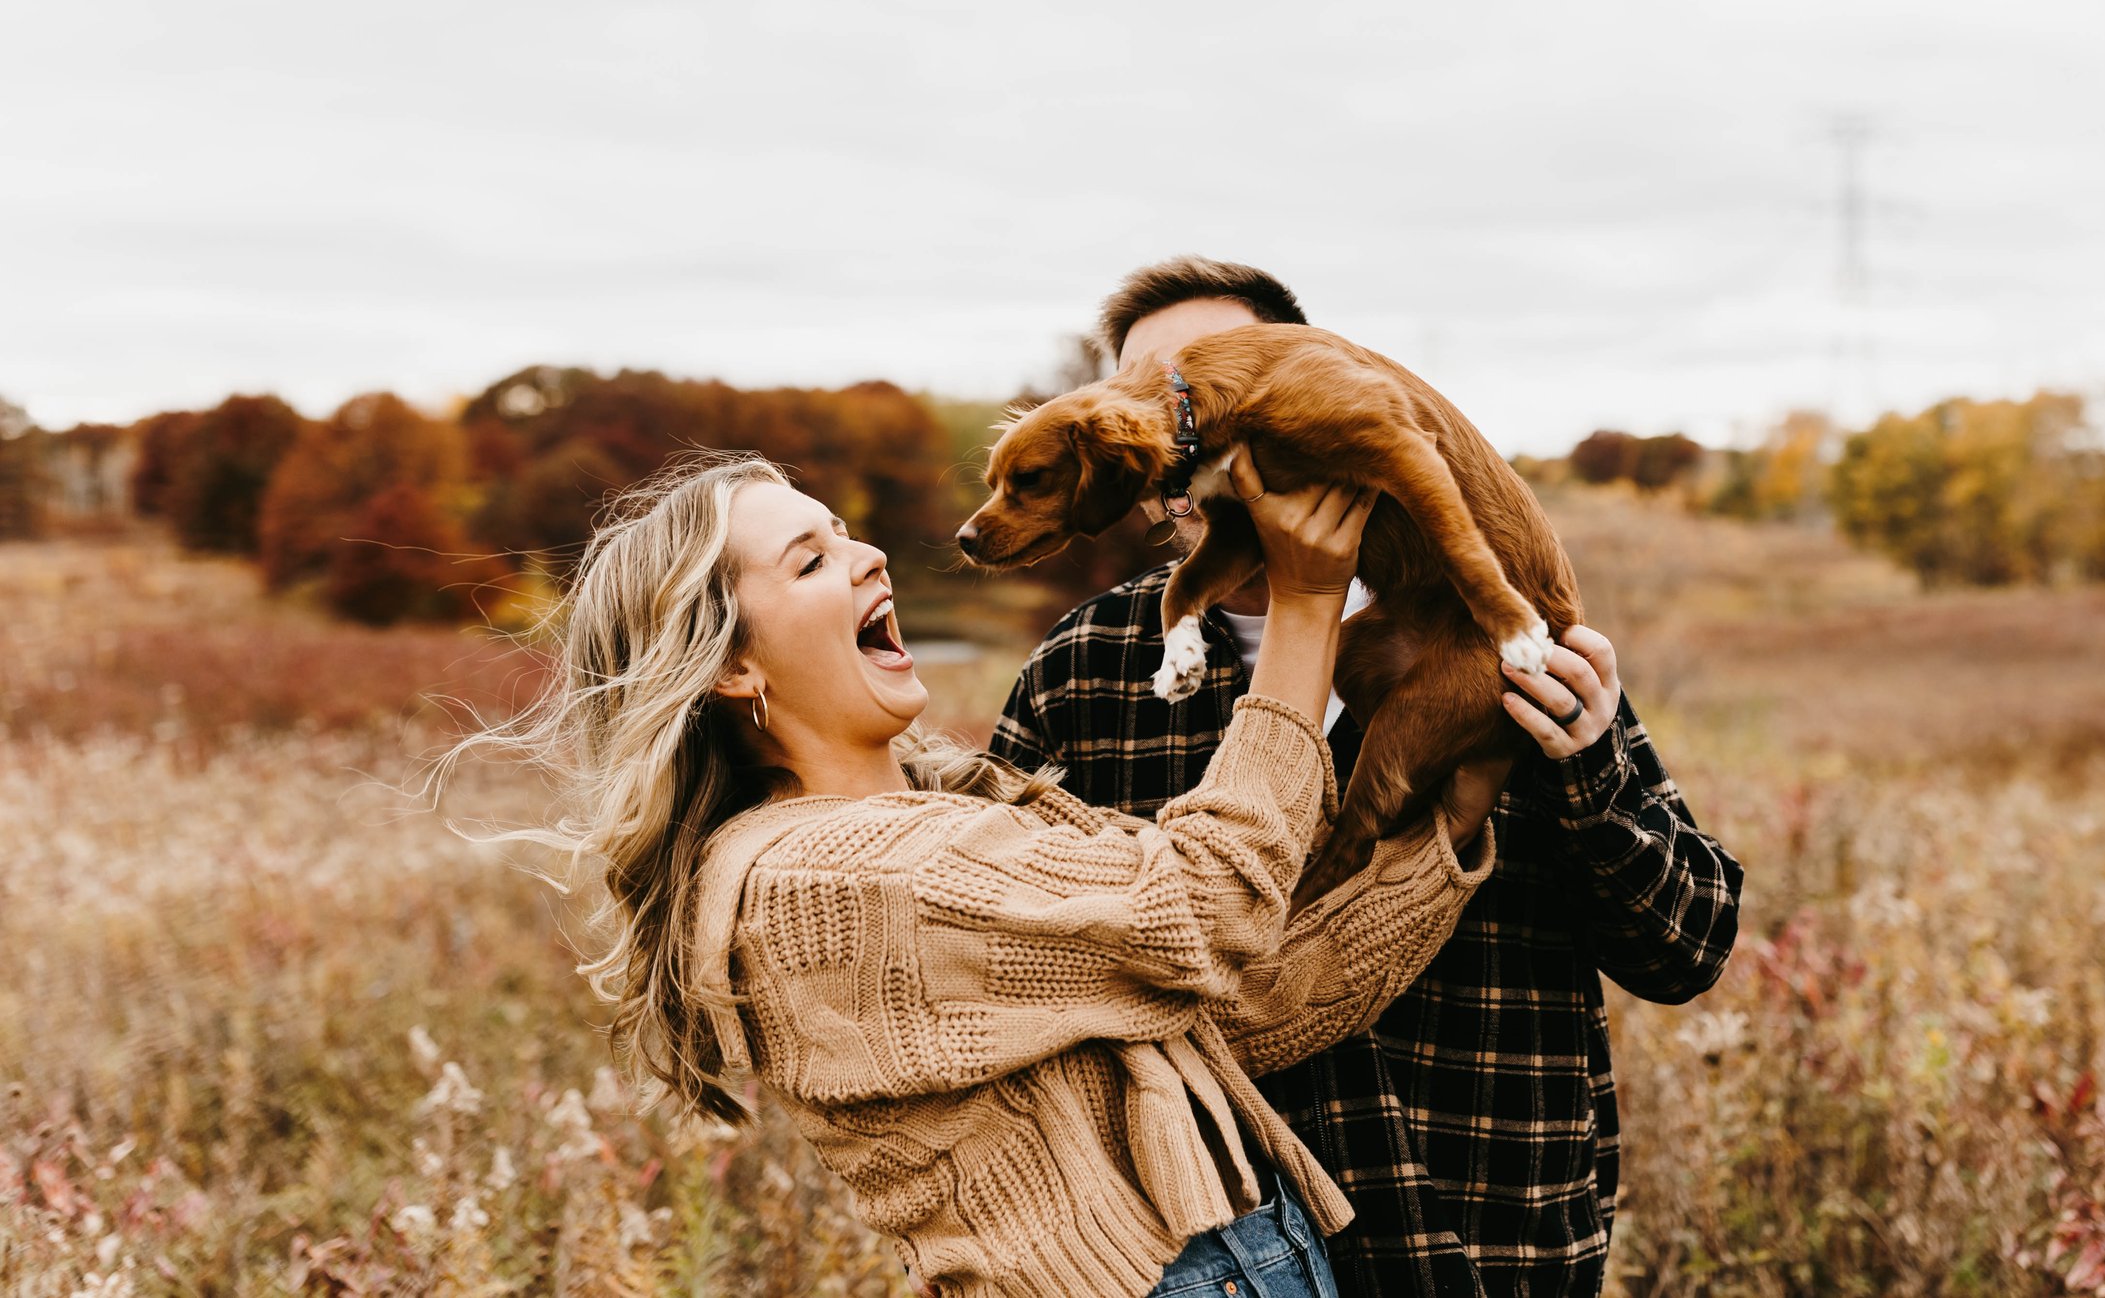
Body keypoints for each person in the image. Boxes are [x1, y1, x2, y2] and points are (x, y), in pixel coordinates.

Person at [458, 449, 1519, 1298]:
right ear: (732, 664)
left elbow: (1227, 1000)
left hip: (1237, 1258)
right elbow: (1205, 907)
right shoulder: (836, 875)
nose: (868, 553)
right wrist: (1306, 605)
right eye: (810, 561)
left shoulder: (929, 818)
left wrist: (1450, 823)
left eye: (845, 530)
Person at [992, 257, 1746, 1298]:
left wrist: (1587, 762)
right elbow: (1006, 984)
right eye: (1136, 389)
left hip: (1482, 1247)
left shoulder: (1505, 639)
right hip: (1198, 1263)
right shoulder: (1086, 670)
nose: (1172, 411)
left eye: (1195, 375)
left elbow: (1685, 943)